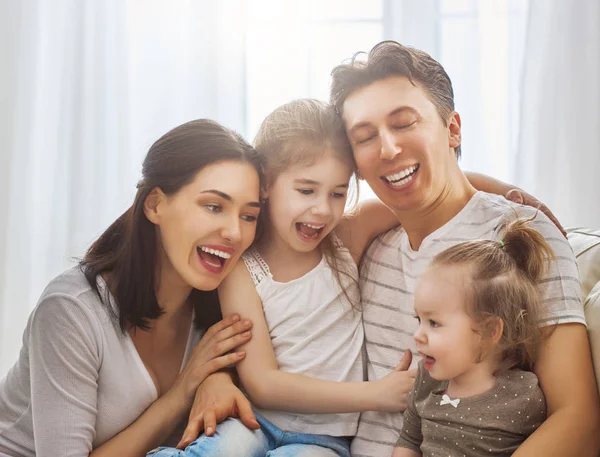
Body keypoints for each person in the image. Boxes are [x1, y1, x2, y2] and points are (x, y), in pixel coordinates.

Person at [329, 40, 600, 457]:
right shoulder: (368, 245)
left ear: (452, 128)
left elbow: (578, 418)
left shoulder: (520, 235)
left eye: (404, 123)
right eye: (365, 137)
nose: (387, 149)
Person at [148, 100, 411, 457]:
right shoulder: (242, 269)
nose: (322, 209)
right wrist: (376, 395)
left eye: (337, 193)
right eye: (306, 190)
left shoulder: (346, 236)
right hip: (256, 422)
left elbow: (423, 193)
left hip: (324, 442)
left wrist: (502, 190)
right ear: (266, 184)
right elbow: (262, 383)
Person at [0, 120, 264, 457]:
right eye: (214, 206)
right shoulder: (70, 310)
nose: (234, 233)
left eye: (249, 216)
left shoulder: (224, 303)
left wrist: (218, 377)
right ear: (155, 205)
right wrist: (182, 392)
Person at [392, 217, 553, 457]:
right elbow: (408, 440)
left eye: (434, 323)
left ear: (489, 332)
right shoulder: (427, 380)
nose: (418, 335)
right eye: (419, 320)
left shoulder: (522, 398)